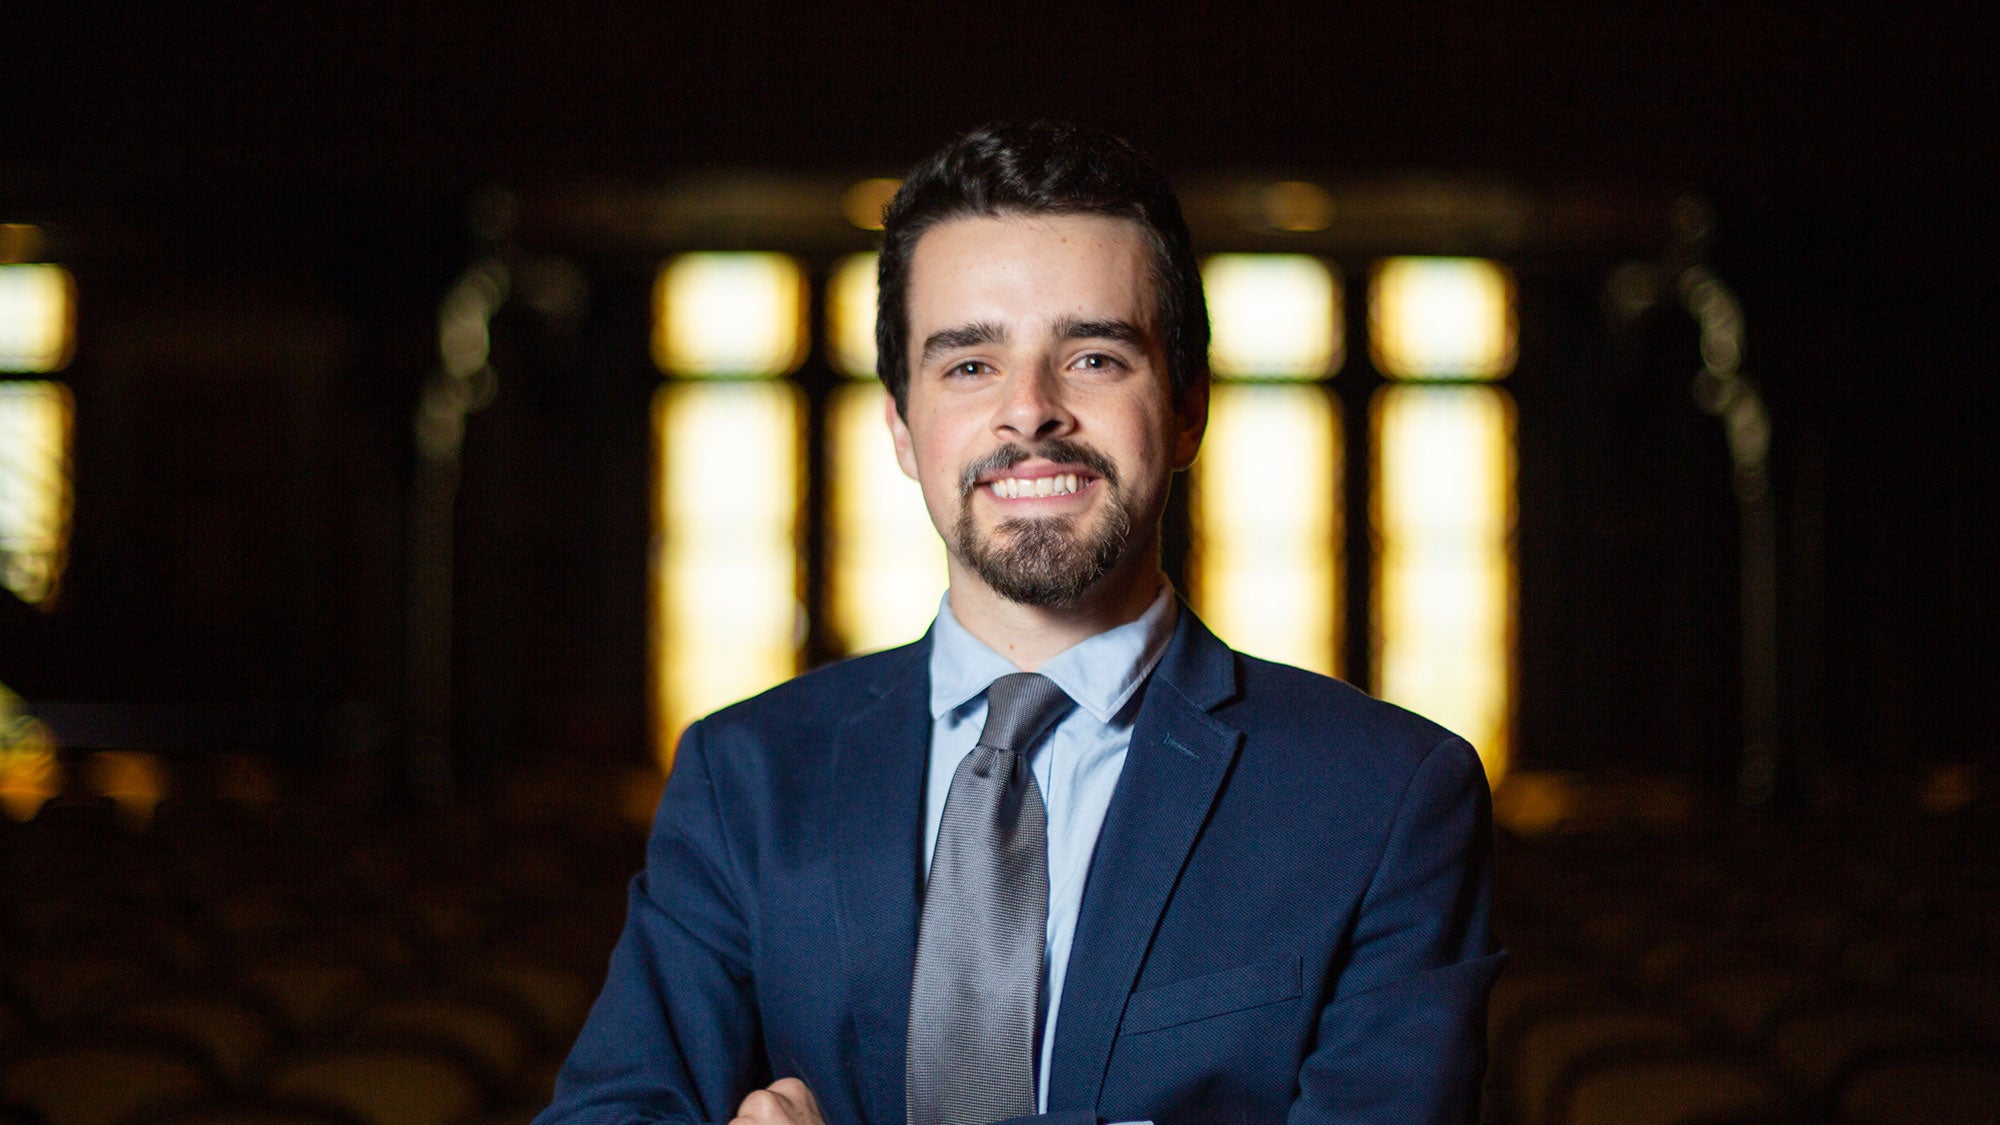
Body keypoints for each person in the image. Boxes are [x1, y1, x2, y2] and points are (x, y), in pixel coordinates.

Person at [537, 121, 1503, 1125]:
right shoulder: (743, 777)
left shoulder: (1384, 798)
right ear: (903, 429)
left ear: (1185, 411)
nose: (1028, 412)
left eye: (1091, 357)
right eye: (968, 366)